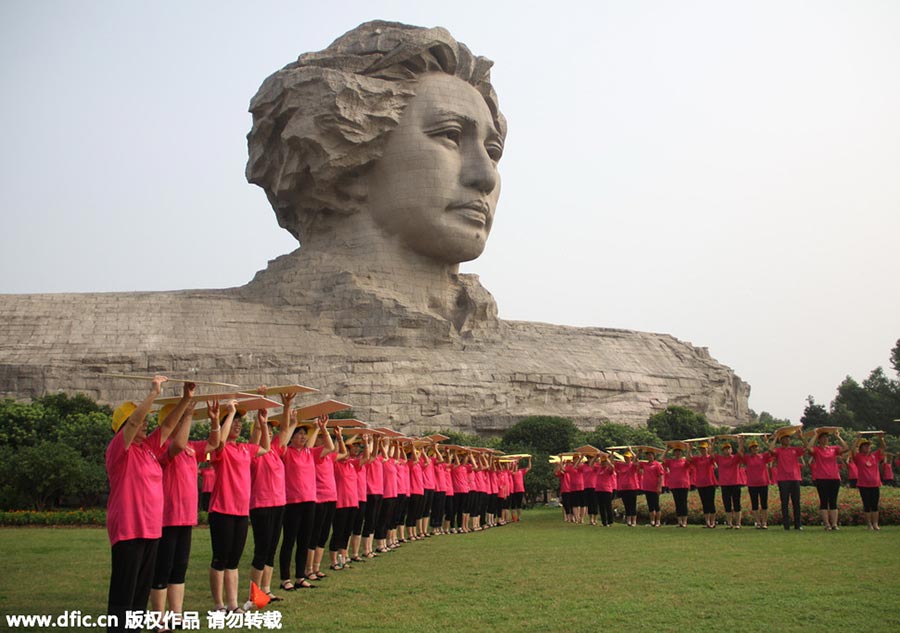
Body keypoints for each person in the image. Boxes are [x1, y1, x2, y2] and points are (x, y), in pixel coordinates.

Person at [105, 376, 173, 633]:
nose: (145, 424)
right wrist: (153, 393)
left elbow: (167, 427)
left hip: (151, 529)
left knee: (140, 592)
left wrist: (187, 401)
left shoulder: (148, 450)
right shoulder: (118, 450)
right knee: (124, 591)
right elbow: (133, 421)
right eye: (141, 420)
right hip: (129, 529)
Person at [150, 386, 219, 630]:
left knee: (179, 568)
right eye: (178, 419)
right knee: (162, 568)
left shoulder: (192, 447)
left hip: (185, 517)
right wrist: (188, 411)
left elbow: (213, 444)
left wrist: (214, 422)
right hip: (166, 518)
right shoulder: (162, 446)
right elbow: (177, 445)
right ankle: (158, 619)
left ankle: (176, 615)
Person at [207, 401, 270, 613]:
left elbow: (266, 448)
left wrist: (262, 423)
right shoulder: (220, 450)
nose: (238, 425)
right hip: (221, 510)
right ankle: (218, 604)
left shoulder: (244, 449)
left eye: (240, 422)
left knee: (233, 561)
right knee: (220, 559)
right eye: (233, 422)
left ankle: (233, 604)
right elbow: (219, 441)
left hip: (241, 512)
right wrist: (229, 412)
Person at [278, 415, 322, 591]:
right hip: (292, 501)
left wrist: (321, 428)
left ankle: (300, 576)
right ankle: (285, 578)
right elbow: (281, 443)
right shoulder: (286, 452)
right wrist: (292, 424)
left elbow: (331, 446)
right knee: (289, 540)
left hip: (309, 500)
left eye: (305, 434)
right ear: (292, 436)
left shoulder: (309, 453)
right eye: (299, 434)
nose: (303, 437)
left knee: (304, 540)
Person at [806, 429, 848, 530]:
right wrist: (815, 435)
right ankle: (827, 524)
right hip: (821, 478)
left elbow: (846, 448)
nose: (825, 439)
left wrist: (838, 437)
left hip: (834, 477)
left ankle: (834, 524)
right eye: (823, 437)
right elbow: (808, 448)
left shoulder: (833, 449)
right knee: (824, 501)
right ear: (819, 440)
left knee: (833, 501)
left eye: (827, 437)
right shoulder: (816, 450)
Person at [768, 430, 806, 531]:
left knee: (796, 502)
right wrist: (776, 437)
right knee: (784, 502)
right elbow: (770, 449)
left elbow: (806, 448)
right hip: (783, 479)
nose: (787, 440)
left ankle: (798, 524)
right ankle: (786, 525)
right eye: (785, 438)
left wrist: (801, 437)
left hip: (795, 478)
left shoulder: (795, 450)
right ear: (781, 440)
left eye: (788, 438)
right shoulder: (779, 451)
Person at [850, 435, 887, 530]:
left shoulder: (875, 456)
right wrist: (857, 438)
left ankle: (875, 524)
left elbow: (883, 448)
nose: (867, 448)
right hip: (863, 484)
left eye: (868, 446)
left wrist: (880, 438)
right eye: (865, 446)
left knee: (875, 505)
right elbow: (852, 449)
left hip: (875, 483)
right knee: (867, 505)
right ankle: (869, 524)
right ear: (861, 448)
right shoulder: (858, 457)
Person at [740, 439, 774, 529]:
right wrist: (741, 443)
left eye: (756, 447)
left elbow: (771, 450)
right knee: (754, 504)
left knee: (764, 504)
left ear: (758, 448)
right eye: (752, 447)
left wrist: (767, 441)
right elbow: (740, 453)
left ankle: (764, 522)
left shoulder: (763, 456)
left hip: (763, 483)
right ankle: (758, 522)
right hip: (752, 484)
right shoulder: (747, 458)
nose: (754, 449)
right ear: (750, 449)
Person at [714, 439, 744, 529]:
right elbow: (711, 453)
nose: (727, 450)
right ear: (722, 450)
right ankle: (729, 523)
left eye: (728, 449)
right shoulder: (719, 458)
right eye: (725, 449)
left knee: (737, 503)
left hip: (735, 483)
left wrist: (740, 442)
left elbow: (740, 452)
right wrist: (713, 442)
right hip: (724, 484)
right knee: (727, 504)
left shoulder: (735, 458)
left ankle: (738, 523)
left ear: (731, 450)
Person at [689, 441, 718, 528]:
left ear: (707, 449)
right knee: (704, 503)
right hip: (700, 483)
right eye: (701, 449)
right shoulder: (697, 459)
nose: (702, 451)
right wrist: (689, 449)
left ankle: (713, 522)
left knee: (711, 502)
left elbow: (713, 457)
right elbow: (689, 458)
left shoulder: (710, 458)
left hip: (710, 482)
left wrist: (711, 444)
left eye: (704, 449)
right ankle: (707, 522)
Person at [662, 445, 691, 528]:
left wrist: (688, 449)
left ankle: (685, 521)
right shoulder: (671, 461)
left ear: (681, 453)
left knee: (683, 502)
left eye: (679, 452)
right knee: (677, 503)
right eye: (676, 452)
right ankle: (680, 522)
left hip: (684, 484)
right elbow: (662, 459)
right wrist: (667, 449)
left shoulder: (684, 461)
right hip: (674, 484)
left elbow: (690, 460)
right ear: (674, 453)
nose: (678, 454)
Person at [613, 449, 640, 527]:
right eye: (625, 457)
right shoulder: (621, 465)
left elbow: (637, 460)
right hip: (623, 487)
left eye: (628, 457)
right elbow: (612, 462)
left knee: (633, 504)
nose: (626, 458)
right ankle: (628, 521)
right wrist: (612, 452)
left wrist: (632, 451)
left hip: (632, 487)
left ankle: (634, 521)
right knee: (626, 504)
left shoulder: (632, 465)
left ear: (630, 458)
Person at [638, 449, 664, 527]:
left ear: (653, 456)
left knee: (656, 504)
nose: (649, 456)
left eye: (650, 455)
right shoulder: (645, 464)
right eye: (648, 455)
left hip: (655, 487)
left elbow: (660, 476)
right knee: (650, 504)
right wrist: (638, 453)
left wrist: (659, 487)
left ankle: (658, 521)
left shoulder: (657, 465)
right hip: (647, 487)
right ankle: (652, 521)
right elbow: (635, 461)